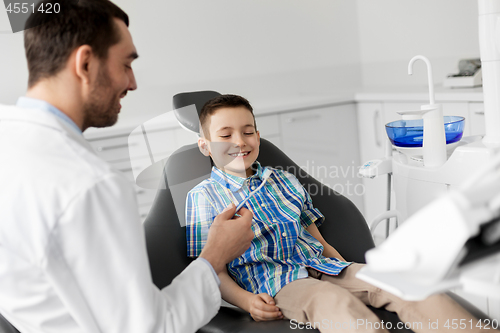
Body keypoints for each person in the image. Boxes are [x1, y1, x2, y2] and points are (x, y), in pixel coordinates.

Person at [0, 1, 254, 333]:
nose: (132, 83)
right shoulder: (91, 185)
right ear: (86, 63)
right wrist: (215, 256)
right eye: (126, 64)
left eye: (249, 131)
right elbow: (152, 328)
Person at [185, 94, 494, 333]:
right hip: (277, 284)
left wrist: (340, 262)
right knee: (334, 302)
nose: (239, 141)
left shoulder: (283, 180)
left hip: (325, 267)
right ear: (204, 145)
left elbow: (310, 229)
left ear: (258, 136)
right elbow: (211, 267)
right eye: (225, 135)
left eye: (248, 131)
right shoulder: (203, 197)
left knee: (403, 283)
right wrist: (246, 301)